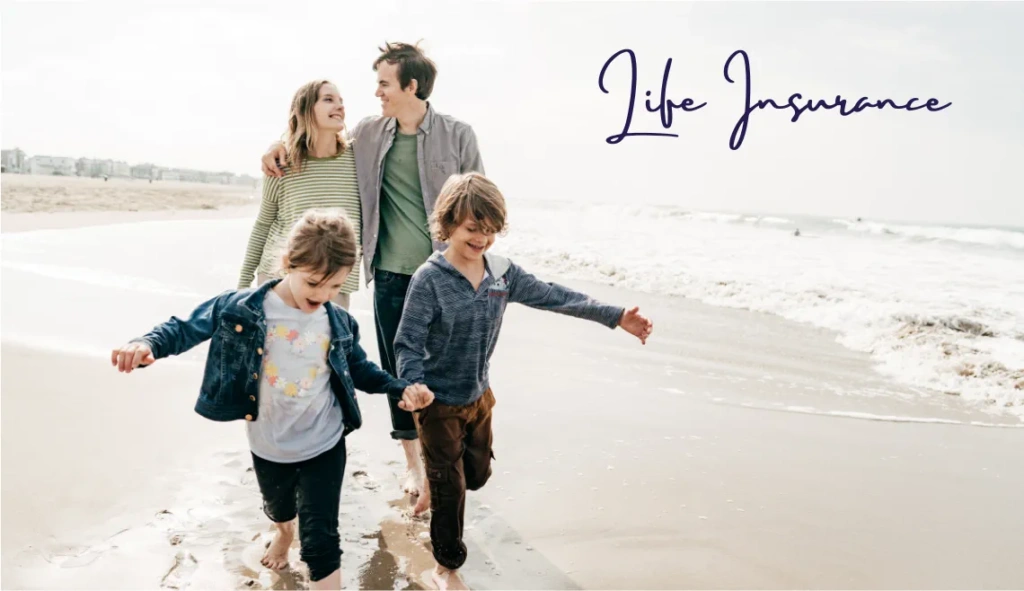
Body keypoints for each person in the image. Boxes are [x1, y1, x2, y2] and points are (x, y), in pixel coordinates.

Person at [110, 210, 434, 590]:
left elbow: (360, 370)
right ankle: (282, 532)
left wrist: (399, 388)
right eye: (314, 283)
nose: (324, 296)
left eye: (335, 287)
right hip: (269, 444)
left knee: (321, 539)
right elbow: (186, 327)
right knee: (279, 509)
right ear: (288, 264)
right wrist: (147, 344)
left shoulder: (339, 323)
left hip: (325, 442)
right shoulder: (241, 309)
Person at [393, 173, 654, 589]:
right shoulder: (430, 279)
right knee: (452, 491)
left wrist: (615, 315)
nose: (481, 238)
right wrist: (413, 384)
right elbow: (407, 341)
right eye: (471, 228)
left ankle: (435, 476)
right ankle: (447, 566)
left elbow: (555, 295)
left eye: (490, 230)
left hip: (479, 397)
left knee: (476, 476)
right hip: (436, 403)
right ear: (448, 226)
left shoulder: (501, 274)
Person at [262, 42, 485, 515]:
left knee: (448, 366)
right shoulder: (368, 134)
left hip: (444, 275)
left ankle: (456, 444)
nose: (376, 92)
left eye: (385, 83)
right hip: (387, 272)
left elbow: (478, 203)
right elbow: (317, 143)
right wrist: (276, 147)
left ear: (411, 86)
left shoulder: (458, 135)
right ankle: (416, 462)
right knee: (398, 367)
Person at [239, 80, 363, 310]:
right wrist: (243, 284)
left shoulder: (358, 160)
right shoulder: (282, 163)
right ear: (305, 109)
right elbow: (264, 223)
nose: (340, 106)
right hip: (279, 279)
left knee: (328, 346)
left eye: (341, 101)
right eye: (328, 99)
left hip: (334, 283)